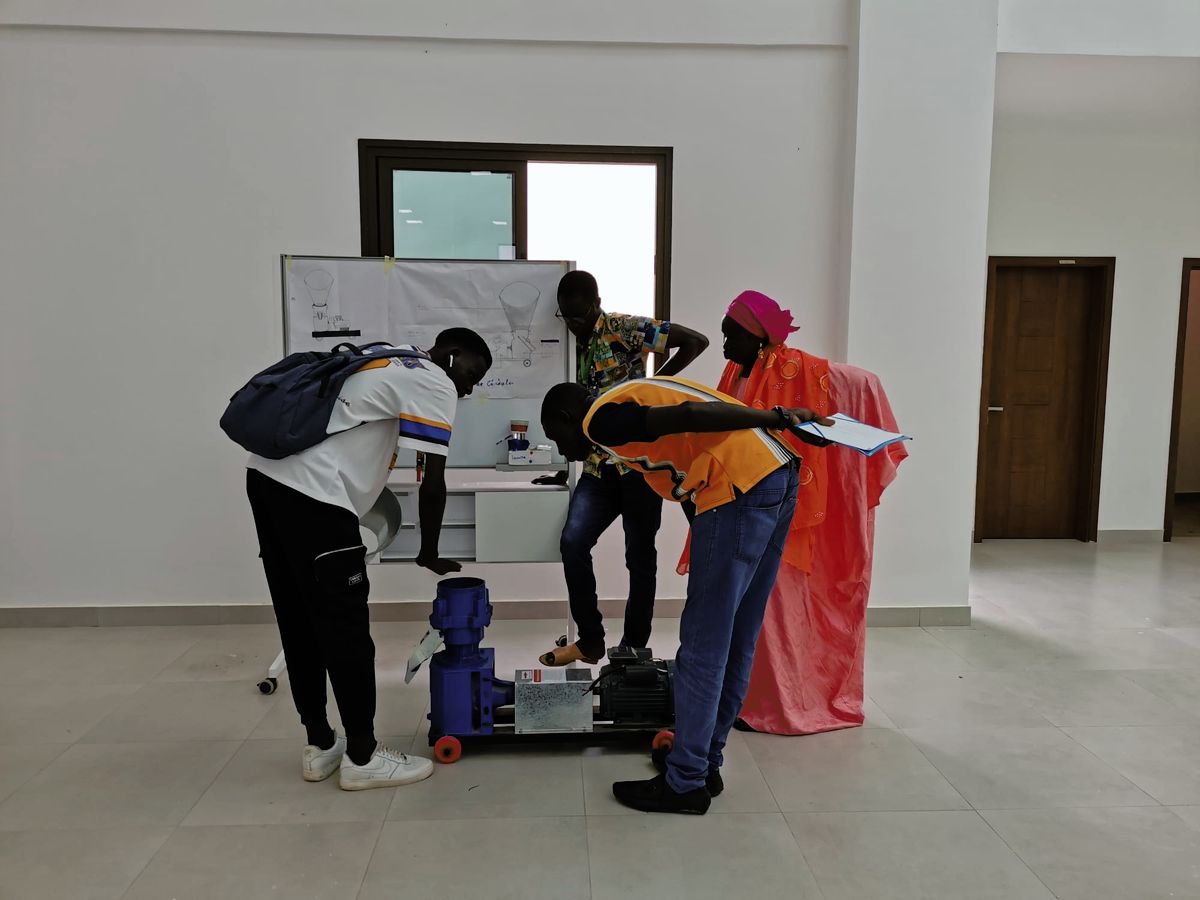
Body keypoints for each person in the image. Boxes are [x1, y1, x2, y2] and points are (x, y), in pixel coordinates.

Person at [541, 376, 831, 814]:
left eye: (555, 436)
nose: (563, 449)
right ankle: (703, 761)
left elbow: (693, 415)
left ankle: (685, 784)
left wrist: (778, 416)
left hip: (741, 485)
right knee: (738, 634)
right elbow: (689, 451)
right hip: (776, 475)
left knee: (703, 643)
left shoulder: (598, 419)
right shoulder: (633, 393)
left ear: (567, 417)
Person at [245, 329, 492, 790]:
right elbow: (432, 480)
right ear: (452, 354)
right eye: (471, 374)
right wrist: (429, 551)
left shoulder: (390, 355)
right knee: (347, 628)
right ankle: (363, 756)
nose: (468, 387)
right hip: (315, 495)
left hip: (266, 479)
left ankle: (320, 744)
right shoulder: (434, 379)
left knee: (299, 620)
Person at [679, 291, 906, 735]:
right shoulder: (737, 369)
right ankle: (740, 698)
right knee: (747, 617)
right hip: (741, 503)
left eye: (732, 336)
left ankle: (776, 700)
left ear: (760, 339)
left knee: (769, 615)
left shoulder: (794, 370)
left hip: (777, 507)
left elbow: (861, 383)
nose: (724, 346)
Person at [537, 270, 709, 667]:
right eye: (566, 316)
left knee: (640, 557)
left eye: (579, 316)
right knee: (573, 543)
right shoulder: (566, 347)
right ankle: (590, 640)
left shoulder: (623, 329)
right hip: (596, 469)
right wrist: (566, 468)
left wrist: (653, 389)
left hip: (638, 469)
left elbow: (695, 341)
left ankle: (633, 647)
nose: (573, 324)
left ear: (596, 305)